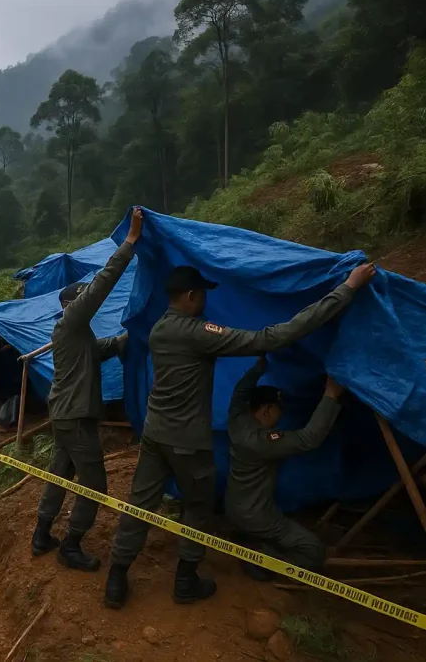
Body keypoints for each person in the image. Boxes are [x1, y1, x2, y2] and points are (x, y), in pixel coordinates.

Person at [104, 260, 376, 610]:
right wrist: (347, 288)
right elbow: (271, 337)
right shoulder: (197, 332)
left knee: (140, 504)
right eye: (203, 295)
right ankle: (185, 581)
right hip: (188, 443)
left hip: (155, 435)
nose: (205, 302)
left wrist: (253, 371)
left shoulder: (159, 329)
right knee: (198, 508)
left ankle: (116, 577)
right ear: (190, 295)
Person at [25, 207, 143, 569]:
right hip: (76, 417)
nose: (84, 302)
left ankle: (42, 534)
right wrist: (129, 242)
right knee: (94, 484)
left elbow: (99, 350)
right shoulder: (72, 321)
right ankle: (71, 546)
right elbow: (101, 286)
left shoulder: (76, 336)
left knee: (60, 473)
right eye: (80, 299)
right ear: (71, 304)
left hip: (66, 415)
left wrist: (130, 336)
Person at [226, 357, 345, 579]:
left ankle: (251, 539)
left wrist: (259, 366)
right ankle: (262, 560)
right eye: (278, 412)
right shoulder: (262, 442)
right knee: (313, 550)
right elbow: (308, 439)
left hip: (234, 509)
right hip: (257, 516)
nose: (280, 420)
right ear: (267, 410)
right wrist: (331, 394)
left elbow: (239, 393)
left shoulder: (237, 420)